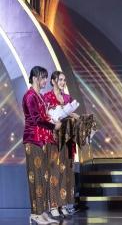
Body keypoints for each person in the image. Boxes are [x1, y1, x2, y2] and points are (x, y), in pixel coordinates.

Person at [22, 66, 61, 224]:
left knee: (44, 176)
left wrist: (53, 118)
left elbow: (45, 115)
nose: (45, 81)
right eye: (43, 78)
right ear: (35, 78)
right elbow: (37, 119)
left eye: (46, 78)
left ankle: (42, 212)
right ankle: (35, 213)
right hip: (33, 139)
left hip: (43, 140)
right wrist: (53, 126)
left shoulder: (39, 96)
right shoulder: (30, 96)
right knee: (36, 177)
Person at [43, 71, 79, 218]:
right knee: (54, 171)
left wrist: (72, 115)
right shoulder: (47, 98)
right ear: (53, 81)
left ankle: (63, 204)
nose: (63, 83)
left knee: (66, 171)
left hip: (68, 137)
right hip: (53, 138)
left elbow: (74, 116)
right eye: (60, 80)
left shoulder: (67, 98)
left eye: (64, 80)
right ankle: (53, 205)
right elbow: (45, 117)